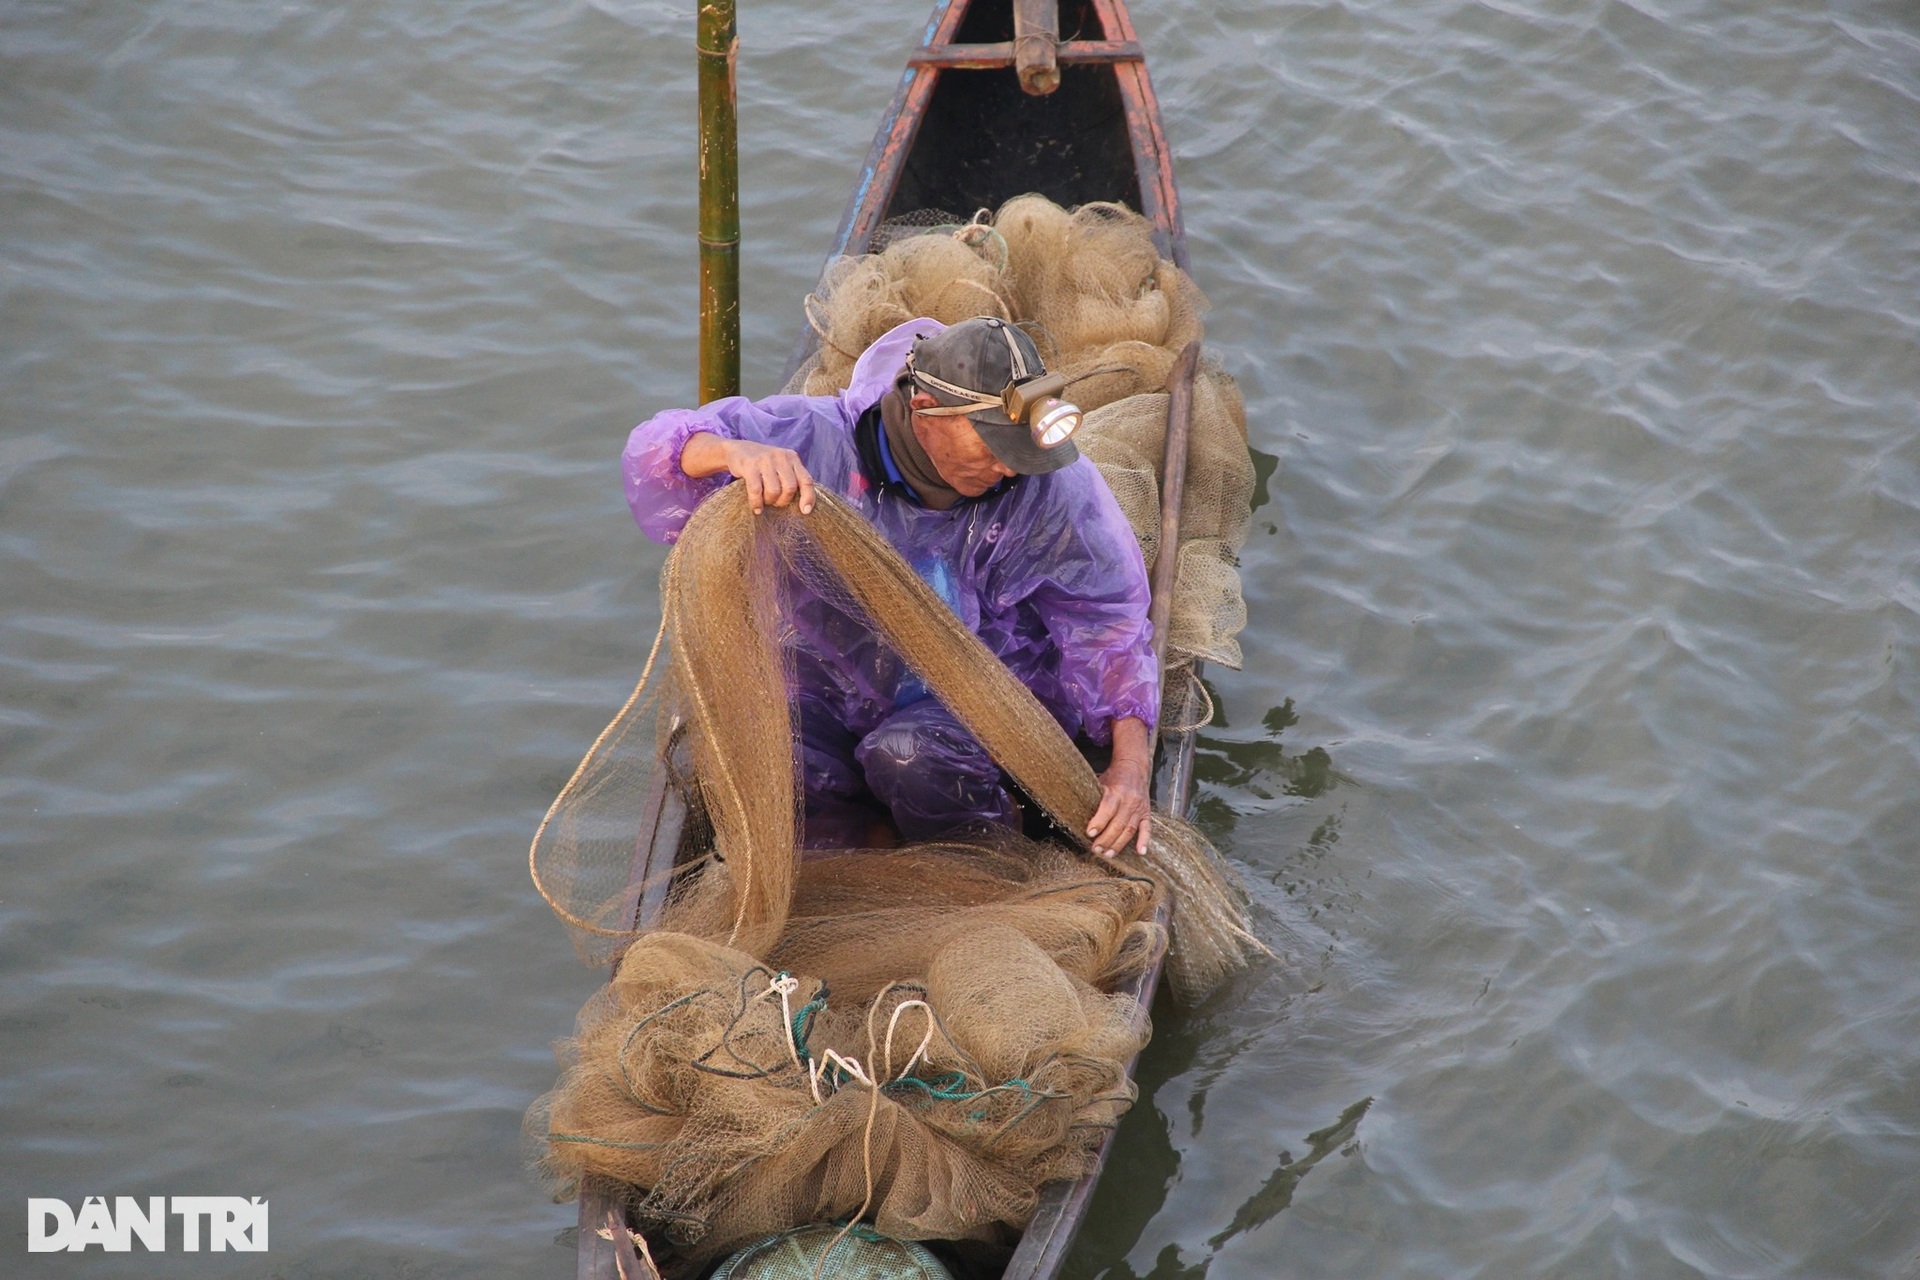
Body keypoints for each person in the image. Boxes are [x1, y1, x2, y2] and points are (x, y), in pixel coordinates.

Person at [621, 316, 1158, 858]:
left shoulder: (1048, 486)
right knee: (767, 753)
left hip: (974, 694)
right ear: (926, 412)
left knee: (908, 756)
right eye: (993, 445)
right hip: (826, 679)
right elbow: (656, 453)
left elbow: (1107, 624)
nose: (1009, 469)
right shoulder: (814, 437)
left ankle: (984, 852)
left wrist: (1130, 769)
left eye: (1022, 450)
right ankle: (859, 842)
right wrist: (734, 454)